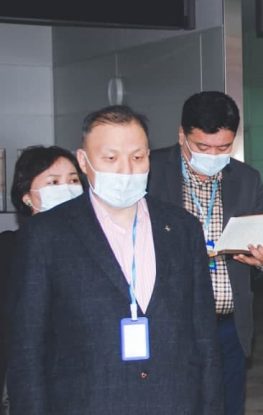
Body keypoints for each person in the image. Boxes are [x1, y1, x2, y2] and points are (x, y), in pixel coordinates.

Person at [6, 105, 223, 414]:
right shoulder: (47, 234)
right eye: (110, 158)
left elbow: (205, 337)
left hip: (173, 400)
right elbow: (27, 348)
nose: (126, 170)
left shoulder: (182, 228)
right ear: (84, 161)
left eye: (137, 157)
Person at [147, 91, 263, 415]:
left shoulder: (247, 179)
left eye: (224, 147)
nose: (214, 156)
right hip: (170, 322)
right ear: (182, 135)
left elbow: (261, 237)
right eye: (203, 147)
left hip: (228, 324)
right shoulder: (149, 171)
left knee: (228, 406)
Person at [1, 145, 86, 415]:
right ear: (27, 196)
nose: (67, 188)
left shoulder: (94, 248)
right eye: (53, 182)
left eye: (73, 180)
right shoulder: (10, 249)